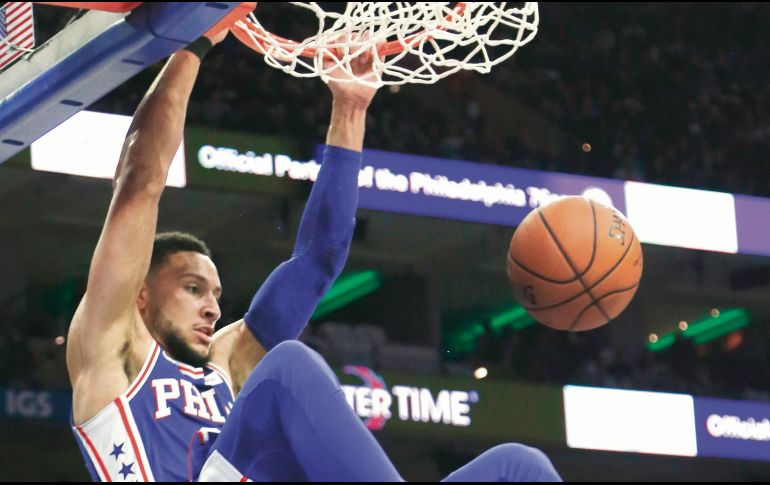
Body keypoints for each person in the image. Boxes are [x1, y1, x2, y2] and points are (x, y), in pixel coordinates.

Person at [67, 30, 562, 482]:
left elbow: (318, 259)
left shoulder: (227, 362)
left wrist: (349, 111)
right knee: (287, 366)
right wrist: (194, 44)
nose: (213, 308)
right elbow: (139, 181)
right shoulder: (112, 351)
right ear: (141, 294)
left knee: (521, 468)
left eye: (216, 294)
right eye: (192, 288)